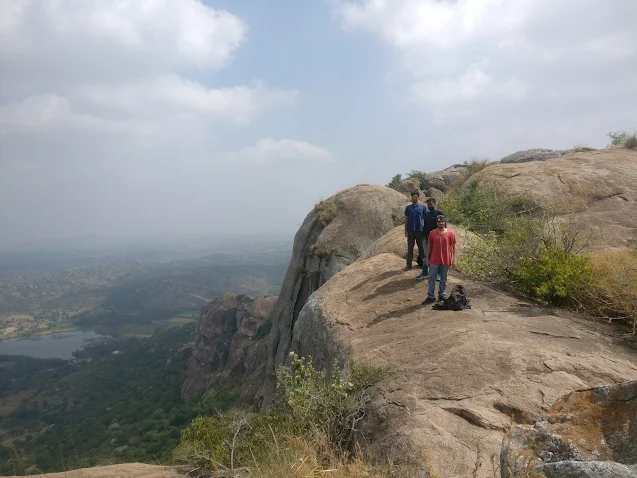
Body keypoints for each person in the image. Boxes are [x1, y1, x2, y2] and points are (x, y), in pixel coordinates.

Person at [423, 214, 456, 306]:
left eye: (442, 221)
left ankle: (442, 294)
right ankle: (430, 296)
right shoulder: (432, 233)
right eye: (439, 222)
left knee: (443, 278)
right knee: (431, 278)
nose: (440, 223)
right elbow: (429, 246)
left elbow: (453, 247)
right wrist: (427, 258)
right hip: (434, 259)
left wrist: (454, 259)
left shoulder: (450, 233)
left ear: (445, 222)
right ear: (436, 223)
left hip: (446, 259)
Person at [415, 197, 444, 280]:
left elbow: (443, 226)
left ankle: (439, 275)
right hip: (427, 238)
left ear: (435, 204)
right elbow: (425, 226)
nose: (429, 206)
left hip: (437, 238)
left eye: (431, 204)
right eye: (428, 205)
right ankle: (424, 272)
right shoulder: (427, 214)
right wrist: (423, 236)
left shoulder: (439, 213)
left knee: (438, 256)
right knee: (426, 256)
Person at [403, 190, 426, 271]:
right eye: (413, 197)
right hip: (411, 231)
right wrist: (405, 230)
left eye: (416, 197)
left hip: (420, 230)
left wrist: (425, 230)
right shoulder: (408, 208)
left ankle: (423, 263)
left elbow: (424, 218)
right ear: (411, 198)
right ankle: (408, 264)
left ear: (418, 198)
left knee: (421, 248)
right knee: (410, 248)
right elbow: (407, 219)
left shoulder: (423, 207)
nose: (415, 198)